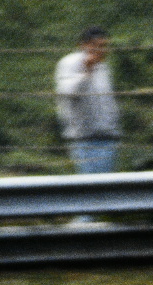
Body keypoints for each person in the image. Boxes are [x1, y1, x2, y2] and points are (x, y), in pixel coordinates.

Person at [55, 26, 121, 175]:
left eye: (104, 46)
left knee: (106, 187)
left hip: (108, 137)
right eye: (96, 46)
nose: (101, 50)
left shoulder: (103, 67)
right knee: (92, 188)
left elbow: (108, 101)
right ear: (83, 45)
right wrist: (87, 72)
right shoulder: (69, 63)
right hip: (85, 140)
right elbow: (68, 93)